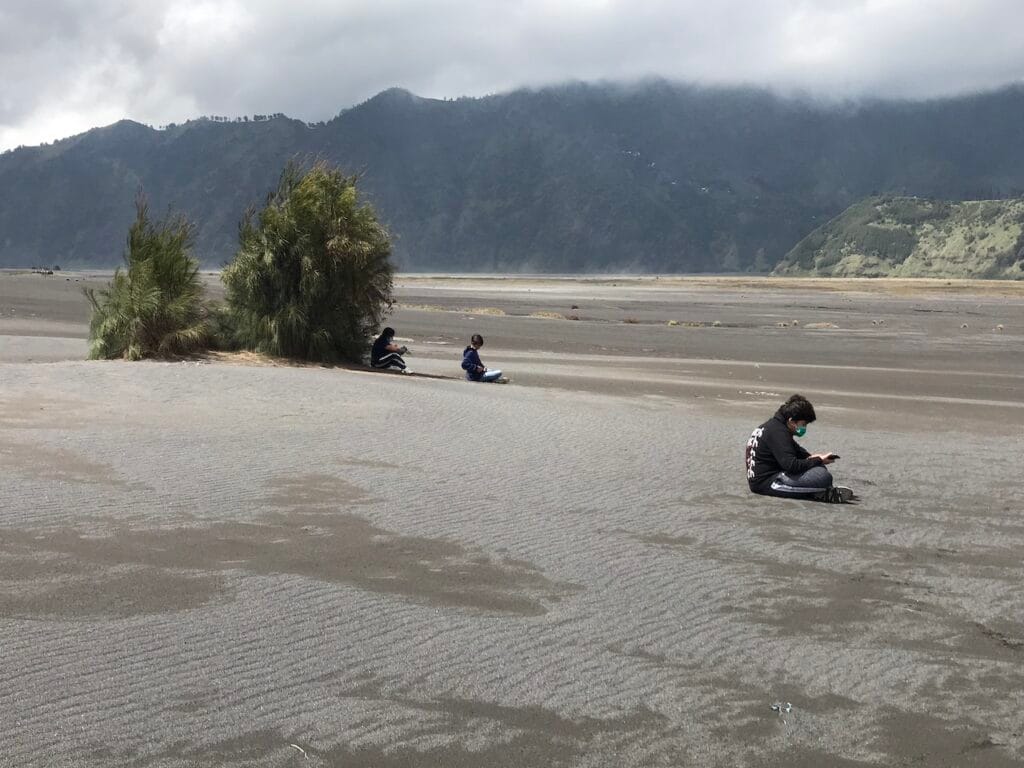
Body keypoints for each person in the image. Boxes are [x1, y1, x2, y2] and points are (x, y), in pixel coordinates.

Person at [745, 394, 854, 503]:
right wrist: (817, 460)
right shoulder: (777, 432)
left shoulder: (774, 426)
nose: (804, 428)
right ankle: (819, 493)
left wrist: (813, 458)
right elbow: (792, 465)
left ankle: (818, 491)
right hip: (767, 483)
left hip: (768, 477)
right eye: (803, 424)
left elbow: (796, 450)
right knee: (823, 477)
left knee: (818, 470)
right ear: (792, 421)